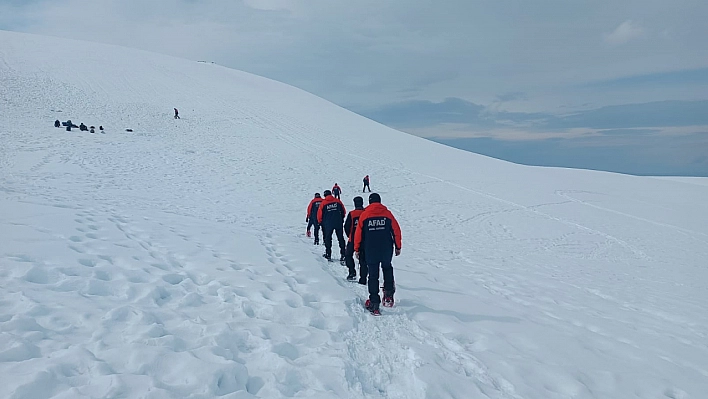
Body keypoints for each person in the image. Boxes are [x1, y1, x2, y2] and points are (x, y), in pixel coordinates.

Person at [354, 193, 401, 315]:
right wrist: (398, 246)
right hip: (386, 248)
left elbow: (358, 234)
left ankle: (374, 303)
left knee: (373, 275)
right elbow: (396, 230)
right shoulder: (387, 214)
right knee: (387, 268)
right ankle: (389, 295)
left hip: (371, 249)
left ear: (369, 202)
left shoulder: (365, 215)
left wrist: (357, 249)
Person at [317, 189, 346, 262]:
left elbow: (319, 214)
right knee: (341, 239)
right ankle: (343, 254)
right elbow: (343, 211)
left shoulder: (323, 203)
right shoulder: (337, 201)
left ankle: (328, 254)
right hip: (338, 223)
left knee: (328, 239)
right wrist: (341, 218)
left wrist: (320, 222)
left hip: (328, 224)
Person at [344, 196, 367, 283]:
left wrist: (349, 235)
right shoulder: (366, 213)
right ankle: (363, 278)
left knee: (348, 255)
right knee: (363, 260)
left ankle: (352, 272)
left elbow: (346, 226)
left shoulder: (352, 214)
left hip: (353, 239)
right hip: (364, 240)